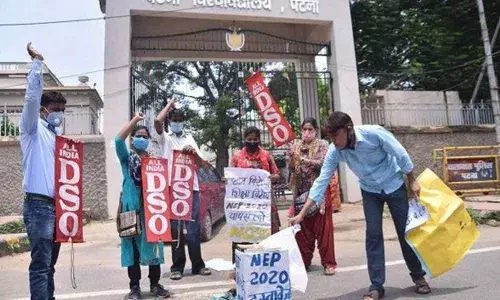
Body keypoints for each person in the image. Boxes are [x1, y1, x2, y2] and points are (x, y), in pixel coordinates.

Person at [289, 111, 431, 300]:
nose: (334, 141)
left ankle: (419, 277)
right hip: (370, 190)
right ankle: (376, 286)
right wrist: (302, 213)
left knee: (405, 233)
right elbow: (322, 180)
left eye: (335, 136)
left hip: (393, 184)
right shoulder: (335, 150)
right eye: (330, 137)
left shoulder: (374, 134)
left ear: (348, 130)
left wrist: (411, 179)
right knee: (373, 235)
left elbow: (399, 152)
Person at [20, 43, 66, 300]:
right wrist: (37, 65)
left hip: (57, 207)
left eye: (62, 111)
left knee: (49, 266)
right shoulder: (32, 129)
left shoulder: (56, 137)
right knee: (40, 266)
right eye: (55, 110)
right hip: (38, 206)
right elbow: (31, 99)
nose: (59, 115)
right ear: (43, 110)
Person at [115, 113, 170, 299]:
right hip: (131, 207)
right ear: (133, 138)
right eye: (138, 136)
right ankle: (135, 288)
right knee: (132, 248)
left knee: (154, 245)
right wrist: (135, 121)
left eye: (145, 137)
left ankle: (155, 284)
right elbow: (117, 139)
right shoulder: (127, 157)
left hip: (152, 209)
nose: (141, 139)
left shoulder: (154, 160)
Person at [155, 100, 212, 281]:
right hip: (173, 189)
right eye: (174, 119)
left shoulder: (189, 138)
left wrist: (193, 153)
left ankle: (198, 265)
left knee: (193, 228)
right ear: (170, 121)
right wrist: (170, 104)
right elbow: (157, 121)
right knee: (176, 230)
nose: (177, 122)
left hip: (191, 189)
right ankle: (177, 266)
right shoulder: (166, 138)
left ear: (184, 122)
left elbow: (203, 163)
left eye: (180, 119)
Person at [287, 118, 337, 276]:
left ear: (316, 130)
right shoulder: (295, 145)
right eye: (304, 129)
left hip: (319, 193)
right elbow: (291, 169)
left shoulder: (323, 144)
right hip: (300, 193)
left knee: (323, 230)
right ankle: (304, 261)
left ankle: (328, 263)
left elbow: (323, 163)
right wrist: (291, 158)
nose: (307, 133)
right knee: (302, 230)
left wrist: (301, 159)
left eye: (310, 129)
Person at [230, 126, 281, 262]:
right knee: (244, 235)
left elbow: (277, 174)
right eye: (249, 139)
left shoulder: (266, 155)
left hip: (264, 204)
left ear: (259, 139)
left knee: (267, 235)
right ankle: (241, 265)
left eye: (255, 139)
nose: (252, 141)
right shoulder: (236, 157)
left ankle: (268, 264)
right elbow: (231, 178)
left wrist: (270, 177)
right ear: (244, 139)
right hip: (244, 206)